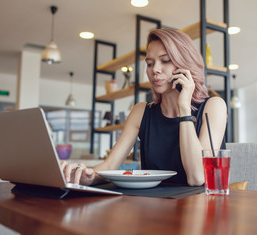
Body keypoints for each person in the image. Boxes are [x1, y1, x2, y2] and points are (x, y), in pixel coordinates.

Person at [61, 29, 227, 186]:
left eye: (165, 61)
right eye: (149, 63)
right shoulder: (141, 111)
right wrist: (89, 177)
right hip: (152, 208)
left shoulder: (213, 107)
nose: (155, 69)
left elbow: (197, 177)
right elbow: (110, 164)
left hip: (199, 210)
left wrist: (184, 110)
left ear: (185, 65)